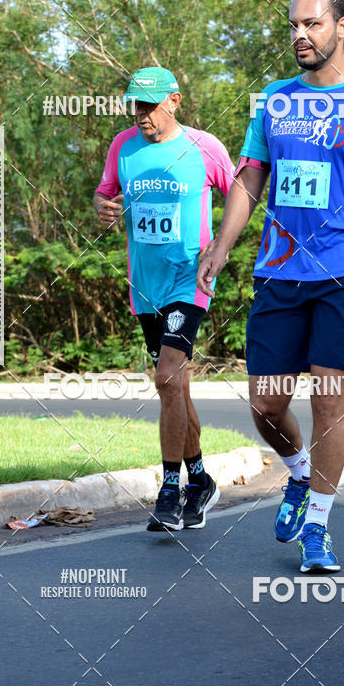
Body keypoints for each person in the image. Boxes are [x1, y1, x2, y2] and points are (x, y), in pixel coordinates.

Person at [198, 0, 344, 571]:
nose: (300, 35)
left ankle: (317, 526)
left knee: (328, 397)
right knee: (266, 403)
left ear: (341, 27)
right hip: (279, 268)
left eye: (312, 24)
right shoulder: (272, 99)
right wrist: (220, 247)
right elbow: (250, 178)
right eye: (294, 25)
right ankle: (297, 473)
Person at [95, 67, 235, 532]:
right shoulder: (123, 146)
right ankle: (201, 480)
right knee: (175, 387)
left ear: (174, 101)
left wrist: (220, 248)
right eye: (135, 105)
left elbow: (240, 196)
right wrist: (104, 208)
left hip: (188, 280)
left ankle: (170, 491)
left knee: (166, 376)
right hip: (145, 286)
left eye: (149, 106)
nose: (140, 115)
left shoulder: (204, 147)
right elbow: (105, 193)